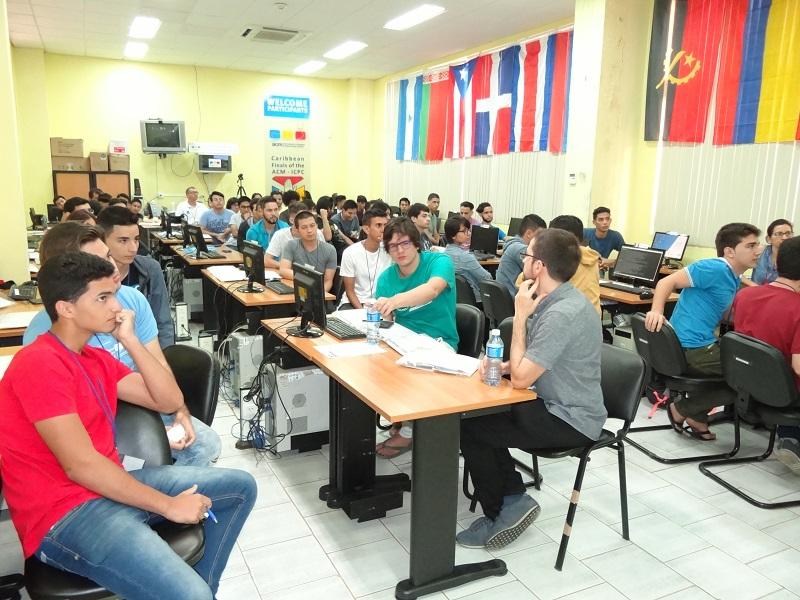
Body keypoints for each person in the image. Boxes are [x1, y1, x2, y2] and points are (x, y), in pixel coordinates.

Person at [0, 251, 256, 600]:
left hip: (109, 485)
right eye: (103, 297)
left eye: (114, 294)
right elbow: (81, 466)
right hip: (65, 514)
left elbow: (168, 400)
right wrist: (167, 506)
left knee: (239, 487)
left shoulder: (94, 357)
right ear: (66, 308)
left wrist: (132, 341)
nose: (116, 306)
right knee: (189, 595)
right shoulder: (40, 364)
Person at [23, 223, 220, 467]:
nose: (113, 267)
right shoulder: (47, 332)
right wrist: (150, 432)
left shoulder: (132, 299)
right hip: (96, 420)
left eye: (107, 256)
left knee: (205, 444)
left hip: (147, 397)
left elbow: (158, 362)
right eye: (97, 263)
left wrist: (179, 410)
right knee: (149, 457)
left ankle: (172, 497)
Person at [457, 228, 605, 550]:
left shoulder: (563, 312)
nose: (522, 259)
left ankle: (502, 509)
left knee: (474, 430)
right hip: (548, 401)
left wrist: (520, 315)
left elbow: (524, 380)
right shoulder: (554, 299)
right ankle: (511, 500)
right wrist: (508, 367)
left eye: (526, 255)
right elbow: (533, 364)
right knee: (473, 419)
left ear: (538, 266)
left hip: (570, 419)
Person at [645, 222, 761, 440]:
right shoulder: (713, 268)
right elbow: (666, 282)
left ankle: (695, 414)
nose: (758, 251)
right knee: (750, 375)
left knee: (741, 377)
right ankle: (683, 409)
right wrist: (657, 310)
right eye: (751, 246)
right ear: (729, 251)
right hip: (691, 348)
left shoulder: (732, 275)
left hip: (696, 344)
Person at [373, 217, 458, 458]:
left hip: (438, 343)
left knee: (410, 376)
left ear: (417, 243)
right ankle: (404, 422)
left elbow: (432, 289)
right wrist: (384, 313)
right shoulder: (386, 278)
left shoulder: (438, 262)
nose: (399, 250)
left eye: (405, 243)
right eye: (392, 246)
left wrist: (394, 301)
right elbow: (387, 324)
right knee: (372, 368)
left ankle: (411, 431)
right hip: (403, 341)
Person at [732, 235, 800, 472]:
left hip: (747, 386)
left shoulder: (745, 296)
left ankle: (790, 438)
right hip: (783, 394)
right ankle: (792, 439)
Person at [96, 206, 174, 347]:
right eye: (123, 241)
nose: (133, 248)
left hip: (145, 348)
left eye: (136, 239)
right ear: (102, 241)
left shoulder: (150, 269)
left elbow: (163, 321)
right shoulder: (90, 274)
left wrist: (164, 362)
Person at [339, 208, 391, 309]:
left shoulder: (390, 251)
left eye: (385, 225)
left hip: (379, 304)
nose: (383, 229)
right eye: (378, 225)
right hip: (354, 303)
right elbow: (350, 291)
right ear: (366, 229)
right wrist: (362, 312)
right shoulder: (351, 252)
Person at [546, 215, 600, 313]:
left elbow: (520, 282)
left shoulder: (562, 258)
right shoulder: (591, 256)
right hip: (593, 321)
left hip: (568, 319)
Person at [279, 210, 337, 292]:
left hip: (319, 293)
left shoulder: (330, 250)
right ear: (297, 229)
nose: (309, 230)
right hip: (296, 291)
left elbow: (328, 281)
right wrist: (308, 279)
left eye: (312, 226)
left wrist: (319, 296)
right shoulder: (291, 245)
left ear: (317, 226)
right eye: (304, 227)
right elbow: (283, 270)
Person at [496, 214, 547, 296]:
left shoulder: (513, 245)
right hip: (513, 299)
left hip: (505, 298)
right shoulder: (520, 249)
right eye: (540, 236)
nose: (542, 240)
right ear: (529, 233)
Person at [444, 216, 492, 303]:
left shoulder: (445, 252)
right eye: (464, 231)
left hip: (456, 300)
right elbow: (487, 278)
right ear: (453, 235)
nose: (469, 233)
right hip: (477, 301)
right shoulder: (465, 257)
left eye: (468, 230)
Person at [265, 202, 327, 269]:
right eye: (300, 218)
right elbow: (266, 260)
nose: (305, 221)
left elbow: (325, 260)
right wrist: (287, 267)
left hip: (312, 274)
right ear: (291, 220)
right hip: (287, 274)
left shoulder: (316, 233)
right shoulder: (280, 235)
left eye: (306, 217)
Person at [752, 219, 793, 284]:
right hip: (756, 292)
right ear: (768, 239)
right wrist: (753, 285)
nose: (785, 237)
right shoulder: (760, 251)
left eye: (788, 233)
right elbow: (735, 269)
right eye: (779, 234)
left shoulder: (796, 257)